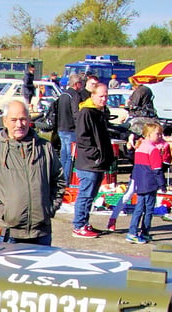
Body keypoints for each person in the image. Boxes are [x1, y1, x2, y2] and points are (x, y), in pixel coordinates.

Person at [0, 101, 66, 245]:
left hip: (41, 233)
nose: (19, 125)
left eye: (23, 119)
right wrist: (4, 213)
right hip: (8, 233)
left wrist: (49, 208)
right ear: (5, 121)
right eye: (14, 120)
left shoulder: (45, 148)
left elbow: (59, 181)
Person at [71, 83, 114, 238]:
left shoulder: (100, 112)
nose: (104, 99)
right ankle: (78, 225)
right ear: (93, 95)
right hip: (89, 162)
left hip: (98, 162)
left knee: (91, 195)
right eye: (101, 96)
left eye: (106, 96)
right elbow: (82, 138)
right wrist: (96, 154)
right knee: (85, 194)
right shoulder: (86, 113)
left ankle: (84, 222)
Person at [125, 122, 172, 243]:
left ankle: (133, 231)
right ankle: (143, 232)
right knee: (148, 209)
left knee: (139, 208)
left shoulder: (139, 146)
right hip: (150, 183)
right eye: (158, 134)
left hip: (140, 181)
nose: (160, 136)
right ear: (149, 134)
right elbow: (157, 170)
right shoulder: (153, 149)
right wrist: (162, 185)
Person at [56, 72, 83, 183]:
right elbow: (76, 113)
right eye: (81, 83)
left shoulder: (63, 94)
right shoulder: (75, 96)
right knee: (69, 156)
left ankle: (60, 178)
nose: (82, 86)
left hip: (61, 128)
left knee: (63, 156)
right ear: (76, 84)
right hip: (70, 129)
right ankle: (65, 180)